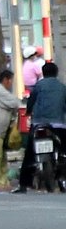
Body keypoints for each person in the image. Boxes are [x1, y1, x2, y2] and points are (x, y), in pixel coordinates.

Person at [17, 61, 66, 193]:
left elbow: (31, 102)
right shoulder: (62, 87)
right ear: (56, 73)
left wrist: (28, 112)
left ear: (43, 73)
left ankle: (23, 184)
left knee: (29, 154)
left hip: (39, 123)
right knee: (64, 151)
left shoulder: (38, 86)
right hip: (59, 125)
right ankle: (63, 177)